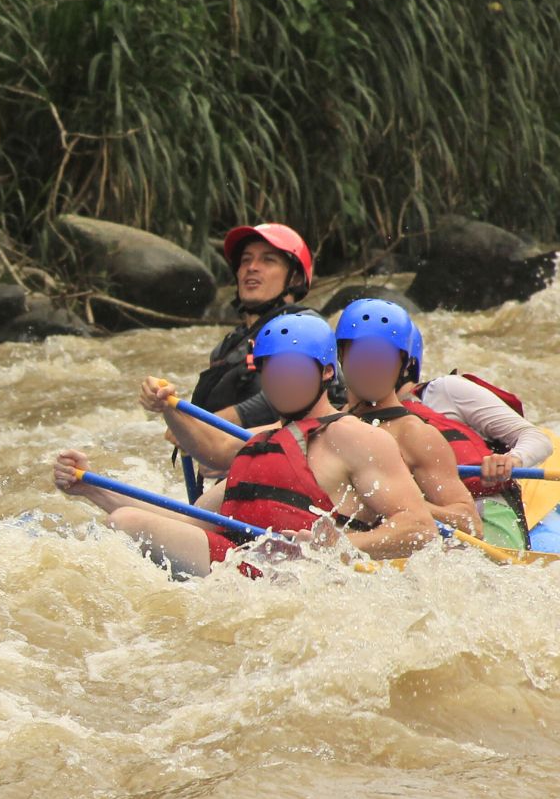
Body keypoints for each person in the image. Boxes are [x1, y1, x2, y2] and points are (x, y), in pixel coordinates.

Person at [57, 314, 437, 577]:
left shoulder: (356, 436)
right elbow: (185, 520)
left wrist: (344, 545)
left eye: (294, 369)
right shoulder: (262, 444)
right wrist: (91, 487)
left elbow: (420, 528)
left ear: (325, 372)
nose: (282, 381)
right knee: (121, 523)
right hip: (242, 574)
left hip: (304, 580)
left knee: (125, 525)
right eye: (274, 371)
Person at [334, 299, 480, 537]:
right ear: (342, 356)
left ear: (403, 366)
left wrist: (406, 506)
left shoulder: (415, 434)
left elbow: (470, 522)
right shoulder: (329, 422)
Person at [398, 326, 551, 549]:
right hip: (417, 521)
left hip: (481, 507)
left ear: (407, 362)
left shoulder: (444, 391)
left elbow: (536, 439)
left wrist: (511, 461)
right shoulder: (349, 419)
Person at [190, 222, 323, 428]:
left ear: (295, 278)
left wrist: (211, 424)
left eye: (268, 260)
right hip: (233, 454)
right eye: (246, 260)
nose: (252, 267)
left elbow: (298, 393)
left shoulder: (306, 326)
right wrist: (169, 406)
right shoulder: (226, 348)